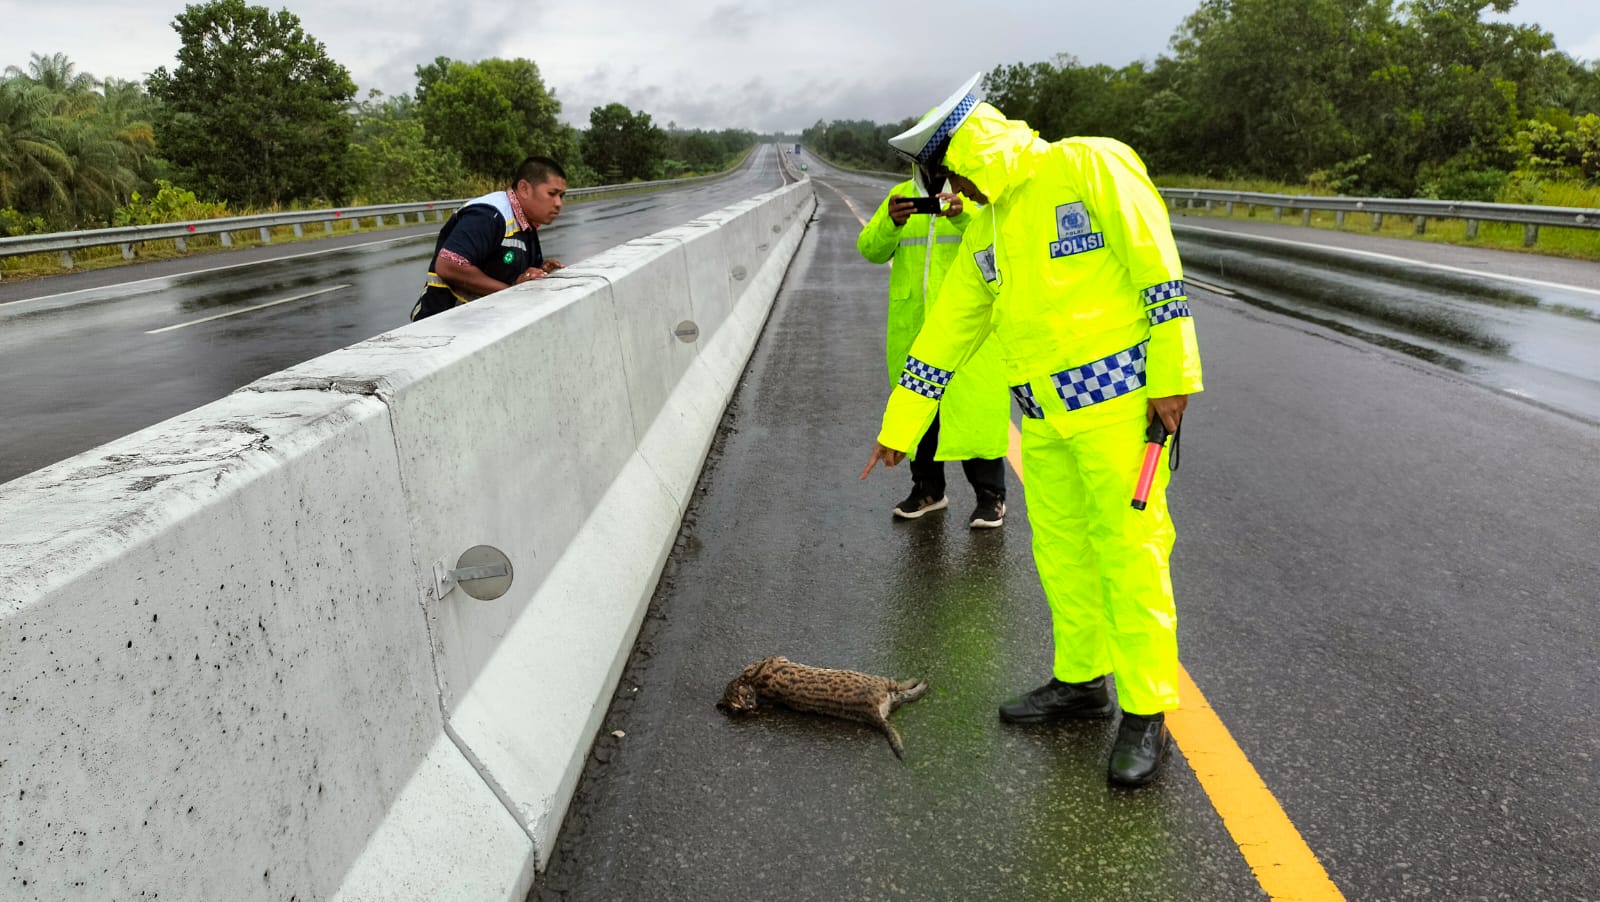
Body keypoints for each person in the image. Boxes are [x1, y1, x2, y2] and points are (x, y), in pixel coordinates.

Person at [859, 74, 1204, 786]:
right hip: (1043, 420)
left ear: (967, 155)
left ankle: (1147, 713)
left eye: (946, 177)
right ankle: (1081, 683)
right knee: (1062, 555)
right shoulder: (983, 230)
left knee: (1131, 556)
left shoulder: (1087, 163)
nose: (949, 196)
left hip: (1119, 413)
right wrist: (901, 423)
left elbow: (1157, 265)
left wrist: (1174, 375)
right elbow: (944, 336)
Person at [856, 163, 1010, 527]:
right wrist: (890, 222)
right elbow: (870, 250)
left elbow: (1002, 245)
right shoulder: (900, 197)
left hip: (968, 329)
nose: (930, 168)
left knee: (976, 413)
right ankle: (927, 491)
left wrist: (962, 214)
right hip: (913, 327)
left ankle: (991, 497)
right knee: (920, 414)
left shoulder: (974, 198)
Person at [411, 156, 568, 321]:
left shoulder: (525, 224)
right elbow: (448, 265)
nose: (558, 203)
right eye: (552, 194)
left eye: (561, 196)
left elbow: (505, 270)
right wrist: (510, 291)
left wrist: (538, 271)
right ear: (524, 189)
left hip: (477, 324)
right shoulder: (489, 215)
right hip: (441, 325)